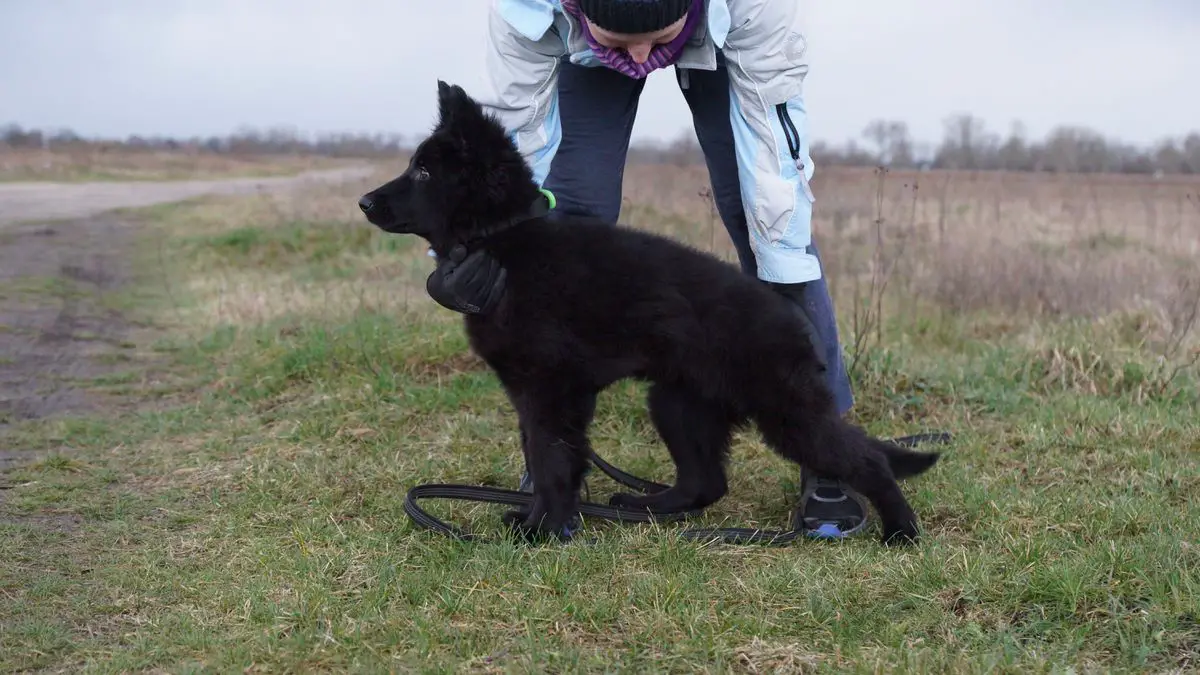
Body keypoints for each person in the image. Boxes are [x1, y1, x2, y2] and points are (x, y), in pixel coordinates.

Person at [430, 0, 870, 539]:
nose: (640, 58)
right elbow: (508, 137)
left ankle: (826, 454)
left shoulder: (756, 9)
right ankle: (553, 467)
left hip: (732, 41)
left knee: (764, 223)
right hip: (579, 51)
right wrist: (466, 251)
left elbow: (773, 150)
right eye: (618, 40)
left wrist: (780, 253)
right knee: (572, 212)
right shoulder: (527, 11)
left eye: (660, 37)